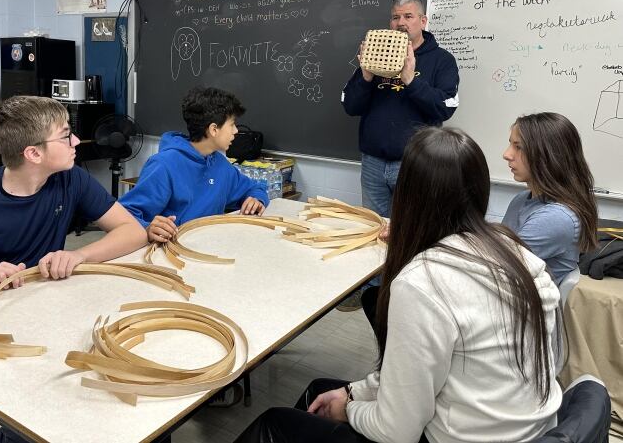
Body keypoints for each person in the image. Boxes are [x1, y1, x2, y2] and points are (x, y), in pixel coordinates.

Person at [234, 127, 563, 443]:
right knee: (322, 389)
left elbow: (397, 433)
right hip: (535, 430)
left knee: (272, 424)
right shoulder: (513, 250)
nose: (509, 153)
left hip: (458, 435)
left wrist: (348, 410)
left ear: (408, 196)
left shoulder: (422, 283)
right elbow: (555, 358)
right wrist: (353, 393)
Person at [0, 95, 148, 313]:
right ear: (34, 154)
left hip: (35, 305)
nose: (76, 141)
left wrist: (79, 255)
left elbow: (133, 232)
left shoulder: (70, 179)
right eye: (65, 135)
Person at [341, 0, 460, 218]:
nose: (401, 23)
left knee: (412, 230)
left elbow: (446, 107)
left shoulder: (442, 60)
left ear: (422, 21)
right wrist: (366, 76)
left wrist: (411, 81)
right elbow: (350, 106)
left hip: (416, 165)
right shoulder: (377, 54)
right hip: (373, 164)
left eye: (408, 16)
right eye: (396, 17)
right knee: (374, 231)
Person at [120, 86, 269, 244]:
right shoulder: (164, 165)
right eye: (232, 124)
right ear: (213, 129)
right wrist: (147, 228)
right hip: (170, 255)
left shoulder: (220, 165)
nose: (236, 131)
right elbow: (124, 215)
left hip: (208, 249)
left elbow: (254, 188)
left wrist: (257, 200)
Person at [502, 112, 598, 285]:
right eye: (510, 144)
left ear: (548, 155)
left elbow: (498, 266)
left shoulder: (557, 217)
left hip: (521, 307)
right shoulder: (521, 199)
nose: (507, 154)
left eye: (519, 147)